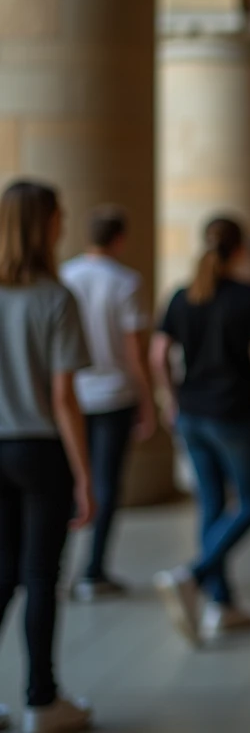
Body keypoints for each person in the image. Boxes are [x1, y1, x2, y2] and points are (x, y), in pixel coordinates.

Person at [150, 217, 250, 646]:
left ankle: (220, 605)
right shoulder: (249, 298)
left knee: (211, 503)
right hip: (234, 414)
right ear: (241, 250)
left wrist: (170, 398)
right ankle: (194, 575)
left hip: (191, 410)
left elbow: (157, 355)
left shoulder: (182, 295)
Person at [0, 179, 95, 732]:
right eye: (59, 214)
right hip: (38, 451)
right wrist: (85, 476)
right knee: (40, 576)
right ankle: (42, 700)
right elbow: (63, 398)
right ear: (45, 225)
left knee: (1, 575)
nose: (64, 222)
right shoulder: (54, 297)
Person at [59, 206, 156, 602]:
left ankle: (57, 567)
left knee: (68, 483)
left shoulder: (65, 276)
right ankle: (93, 570)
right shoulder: (126, 281)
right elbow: (135, 352)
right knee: (106, 484)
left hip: (73, 395)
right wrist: (148, 401)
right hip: (115, 395)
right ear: (120, 239)